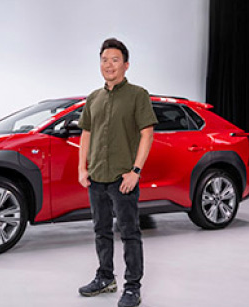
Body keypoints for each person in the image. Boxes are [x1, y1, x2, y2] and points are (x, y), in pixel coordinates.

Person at [77, 38, 158, 307]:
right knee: (101, 230)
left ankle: (132, 287)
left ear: (126, 64)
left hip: (123, 178)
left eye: (114, 59)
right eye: (104, 59)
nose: (108, 65)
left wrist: (135, 171)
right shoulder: (93, 98)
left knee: (130, 233)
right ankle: (105, 278)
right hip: (97, 176)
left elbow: (147, 133)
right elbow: (86, 134)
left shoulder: (138, 95)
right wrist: (82, 167)